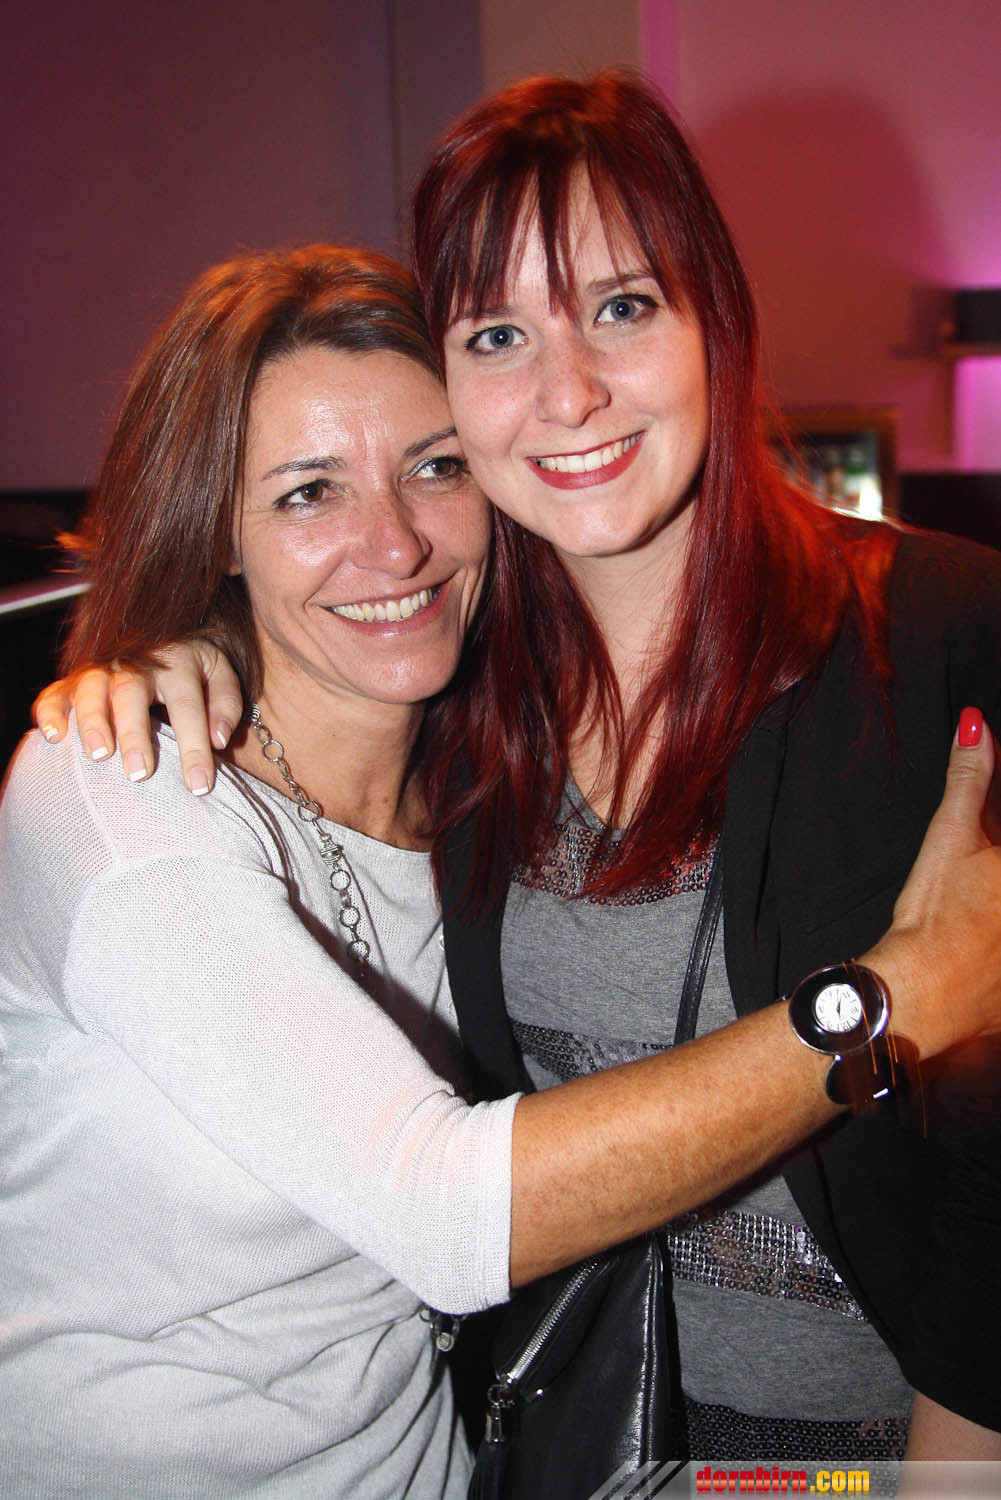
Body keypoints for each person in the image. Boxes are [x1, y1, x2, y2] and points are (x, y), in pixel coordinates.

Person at [31, 74, 1001, 1474]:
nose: (569, 392)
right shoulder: (471, 707)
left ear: (717, 319)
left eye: (623, 305)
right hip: (571, 1453)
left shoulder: (939, 635)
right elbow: (440, 1191)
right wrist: (179, 653)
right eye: (498, 334)